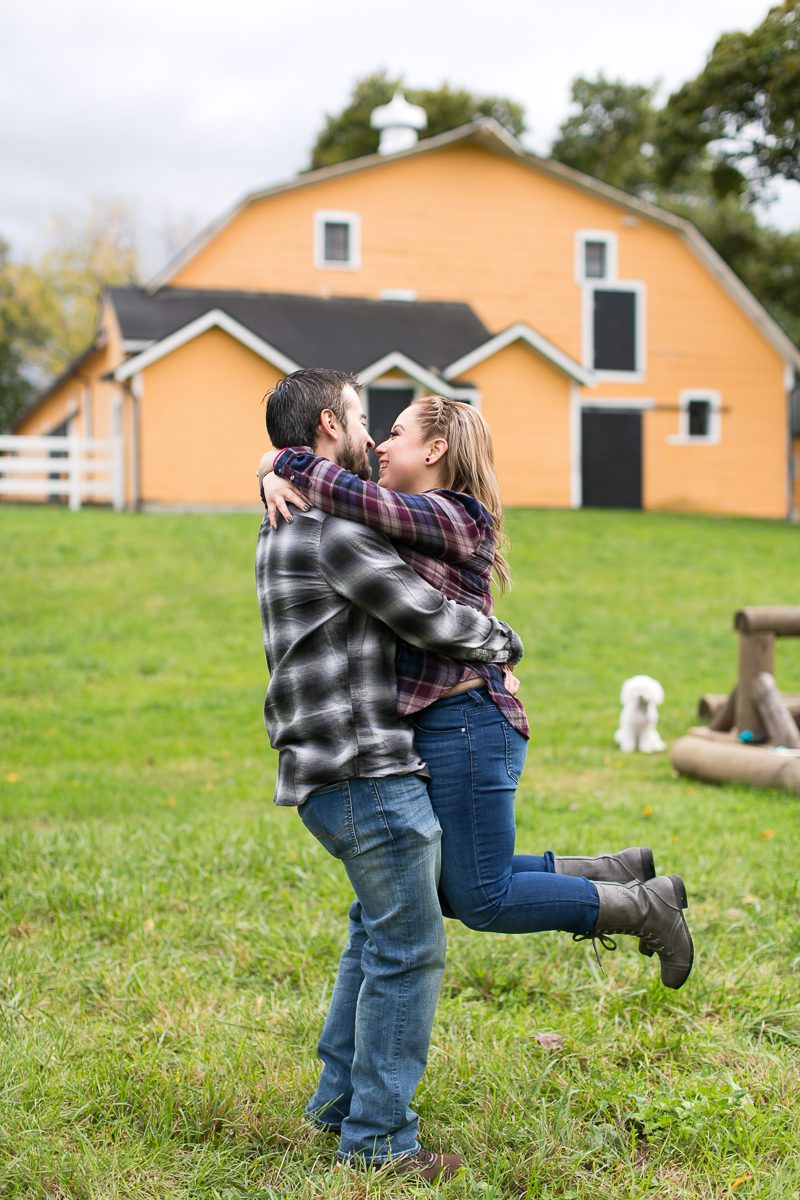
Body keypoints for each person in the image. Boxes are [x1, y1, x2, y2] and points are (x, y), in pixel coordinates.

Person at [258, 393, 693, 990]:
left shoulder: (452, 514)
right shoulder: (398, 510)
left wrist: (283, 462)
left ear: (436, 449)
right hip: (439, 722)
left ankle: (645, 908)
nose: (380, 443)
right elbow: (346, 482)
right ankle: (611, 872)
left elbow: (353, 493)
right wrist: (270, 465)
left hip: (467, 719)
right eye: (374, 429)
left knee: (481, 898)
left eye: (397, 433)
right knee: (450, 883)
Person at [255, 369, 527, 1183]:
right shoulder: (334, 536)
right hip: (365, 769)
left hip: (326, 769)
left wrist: (275, 466)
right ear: (332, 429)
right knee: (409, 950)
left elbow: (334, 489)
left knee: (375, 935)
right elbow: (429, 617)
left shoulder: (289, 516)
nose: (374, 437)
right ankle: (378, 1142)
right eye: (363, 419)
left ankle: (338, 1105)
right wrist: (505, 646)